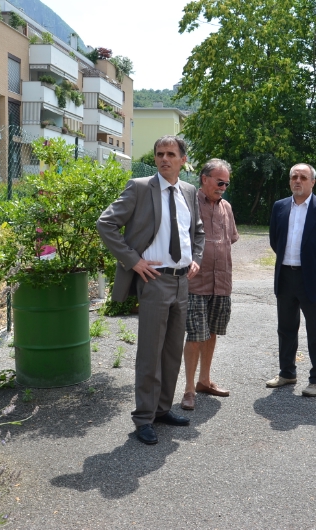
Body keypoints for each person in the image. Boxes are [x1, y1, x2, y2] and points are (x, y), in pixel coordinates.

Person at [97, 135, 205, 445]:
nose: (164, 159)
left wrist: (196, 259)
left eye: (171, 154)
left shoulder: (189, 191)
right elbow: (106, 223)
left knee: (171, 352)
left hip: (182, 282)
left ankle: (162, 410)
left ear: (183, 160)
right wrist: (133, 260)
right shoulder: (140, 187)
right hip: (154, 281)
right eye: (160, 154)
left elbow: (198, 232)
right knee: (149, 353)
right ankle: (144, 418)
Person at [267, 163, 316, 397]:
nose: (298, 180)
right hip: (285, 275)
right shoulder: (279, 207)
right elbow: (275, 240)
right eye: (294, 177)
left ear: (312, 182)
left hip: (311, 276)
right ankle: (287, 373)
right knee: (285, 328)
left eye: (303, 177)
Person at [180, 159, 239, 411]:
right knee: (195, 335)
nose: (223, 187)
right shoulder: (188, 203)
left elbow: (230, 239)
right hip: (195, 282)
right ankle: (189, 389)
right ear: (204, 179)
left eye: (226, 183)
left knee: (212, 332)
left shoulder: (226, 207)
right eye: (219, 182)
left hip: (221, 281)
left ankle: (204, 381)